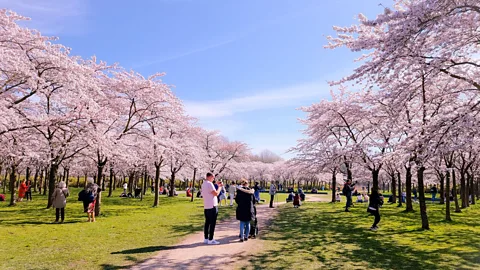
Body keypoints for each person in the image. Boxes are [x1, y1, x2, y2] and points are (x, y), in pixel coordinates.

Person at [201, 172, 223, 245]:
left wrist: (216, 184)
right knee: (212, 223)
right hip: (212, 205)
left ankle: (206, 238)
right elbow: (216, 193)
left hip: (206, 206)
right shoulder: (209, 184)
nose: (214, 179)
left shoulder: (204, 184)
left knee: (207, 223)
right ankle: (211, 239)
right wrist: (220, 187)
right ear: (210, 177)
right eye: (213, 177)